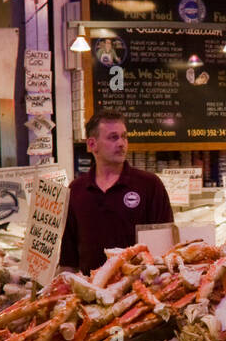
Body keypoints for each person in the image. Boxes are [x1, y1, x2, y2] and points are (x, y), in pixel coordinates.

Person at [61, 113, 172, 273]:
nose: (121, 143)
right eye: (113, 138)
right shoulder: (76, 190)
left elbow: (165, 247)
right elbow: (68, 257)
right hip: (89, 289)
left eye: (124, 137)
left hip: (140, 287)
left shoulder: (149, 184)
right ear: (92, 144)